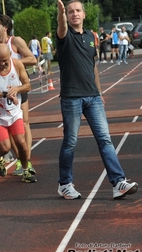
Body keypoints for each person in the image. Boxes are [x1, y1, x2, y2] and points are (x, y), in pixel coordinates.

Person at [56, 0, 138, 199]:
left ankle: (118, 182)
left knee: (105, 139)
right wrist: (59, 13)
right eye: (70, 12)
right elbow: (61, 26)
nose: (74, 14)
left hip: (92, 97)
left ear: (83, 14)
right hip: (71, 98)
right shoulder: (64, 36)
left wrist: (99, 93)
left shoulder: (91, 36)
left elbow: (92, 67)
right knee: (70, 142)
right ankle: (65, 184)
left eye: (77, 11)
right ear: (66, 16)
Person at [0, 14, 37, 177]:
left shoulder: (16, 41)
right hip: (0, 93)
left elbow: (32, 59)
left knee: (23, 124)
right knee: (7, 131)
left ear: (5, 27)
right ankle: (18, 160)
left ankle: (26, 161)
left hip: (18, 87)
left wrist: (13, 63)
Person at [0, 44, 35, 182]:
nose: (3, 64)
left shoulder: (17, 65)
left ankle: (26, 170)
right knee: (5, 147)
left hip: (14, 111)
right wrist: (3, 94)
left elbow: (28, 85)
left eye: (5, 60)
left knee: (21, 142)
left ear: (10, 55)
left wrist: (17, 89)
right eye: (0, 61)